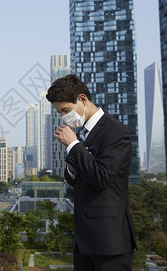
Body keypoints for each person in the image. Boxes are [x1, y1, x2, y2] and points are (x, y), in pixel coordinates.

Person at [46, 74, 137, 271]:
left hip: (109, 241)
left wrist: (73, 145)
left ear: (82, 99)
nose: (64, 117)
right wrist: (71, 169)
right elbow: (78, 179)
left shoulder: (115, 131)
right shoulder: (82, 135)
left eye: (66, 110)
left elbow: (102, 177)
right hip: (84, 241)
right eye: (60, 113)